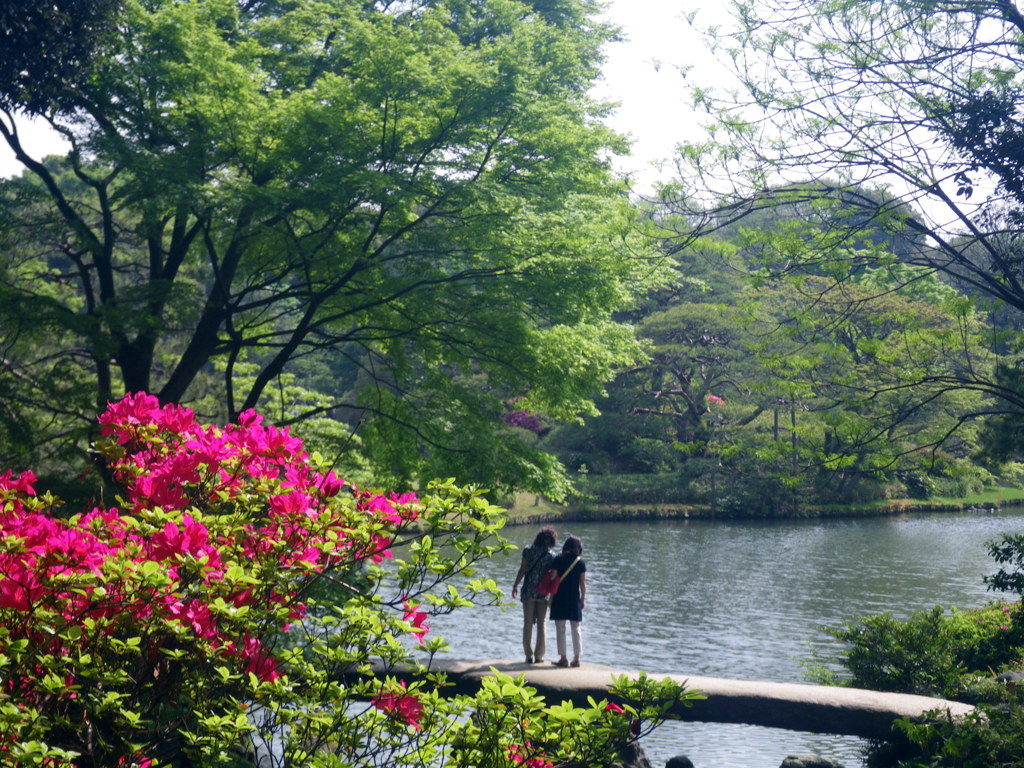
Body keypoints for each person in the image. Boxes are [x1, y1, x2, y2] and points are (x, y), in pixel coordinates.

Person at [511, 525, 556, 664]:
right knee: (542, 624)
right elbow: (553, 576)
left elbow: (522, 570)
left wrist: (515, 585)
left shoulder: (528, 551)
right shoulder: (552, 556)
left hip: (528, 591)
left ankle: (528, 655)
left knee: (528, 623)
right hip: (543, 593)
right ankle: (539, 656)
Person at [548, 534, 585, 668]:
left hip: (560, 597)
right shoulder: (580, 562)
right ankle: (576, 658)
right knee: (576, 627)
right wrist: (583, 599)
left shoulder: (558, 558)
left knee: (560, 627)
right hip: (574, 598)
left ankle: (563, 658)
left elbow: (552, 577)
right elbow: (583, 584)